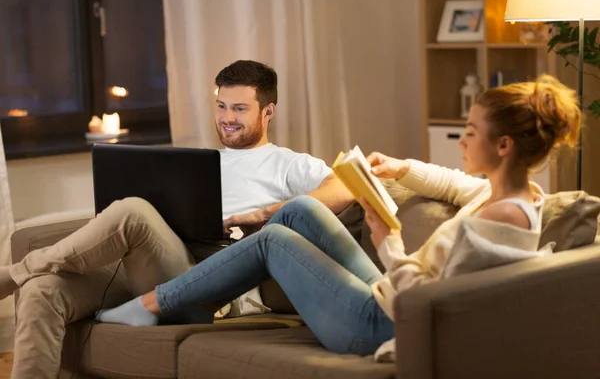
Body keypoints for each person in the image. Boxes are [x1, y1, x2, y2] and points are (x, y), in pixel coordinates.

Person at [96, 74, 581, 362]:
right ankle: (196, 301)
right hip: (392, 304)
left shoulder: (501, 221)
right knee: (303, 208)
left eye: (470, 132)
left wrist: (386, 239)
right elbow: (450, 183)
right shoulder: (515, 194)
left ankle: (153, 304)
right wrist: (397, 168)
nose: (461, 141)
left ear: (503, 145)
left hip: (387, 324)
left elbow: (434, 302)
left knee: (274, 241)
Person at [0, 60, 354, 378]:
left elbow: (347, 187)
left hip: (209, 279)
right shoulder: (198, 162)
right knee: (41, 291)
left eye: (240, 109)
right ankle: (26, 277)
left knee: (133, 210)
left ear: (268, 112)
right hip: (150, 264)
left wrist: (264, 214)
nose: (227, 118)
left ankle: (14, 273)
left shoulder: (288, 163)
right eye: (221, 106)